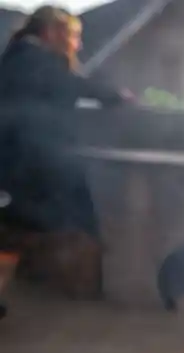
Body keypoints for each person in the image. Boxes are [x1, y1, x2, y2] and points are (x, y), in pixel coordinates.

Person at [0, 6, 130, 306]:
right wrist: (115, 96)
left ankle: (47, 293)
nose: (77, 45)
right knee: (60, 225)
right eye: (73, 36)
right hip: (27, 161)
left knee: (20, 229)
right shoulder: (31, 60)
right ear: (50, 33)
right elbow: (71, 85)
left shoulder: (19, 56)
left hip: (22, 158)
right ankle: (74, 296)